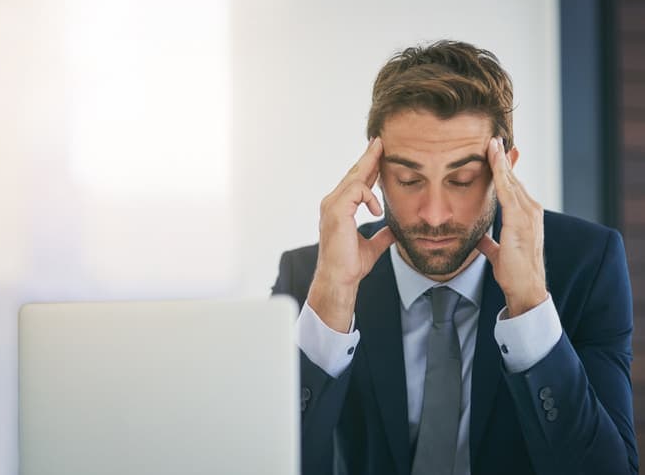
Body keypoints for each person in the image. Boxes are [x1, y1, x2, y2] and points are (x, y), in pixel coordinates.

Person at [272, 40, 638, 475]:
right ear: (375, 171)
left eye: (462, 180)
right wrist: (331, 305)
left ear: (506, 170)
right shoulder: (307, 278)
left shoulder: (586, 265)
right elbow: (268, 461)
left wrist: (530, 310)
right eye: (408, 179)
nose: (434, 214)